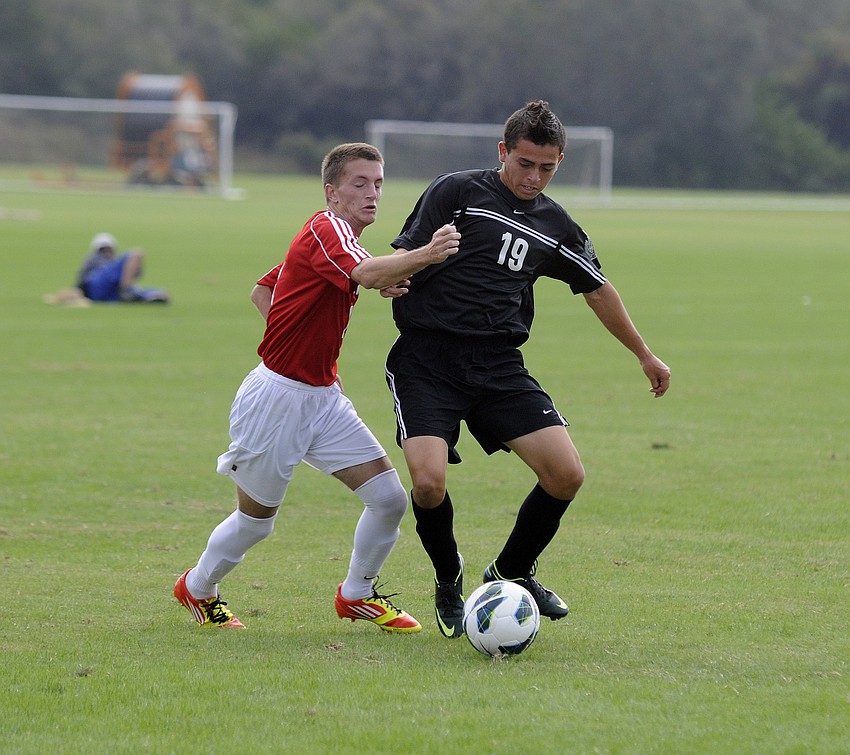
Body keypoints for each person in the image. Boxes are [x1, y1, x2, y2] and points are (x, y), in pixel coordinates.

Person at [384, 101, 671, 638]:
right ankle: (449, 579)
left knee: (566, 475)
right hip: (427, 360)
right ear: (502, 152)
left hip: (497, 364)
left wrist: (644, 354)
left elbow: (597, 287)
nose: (532, 177)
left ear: (559, 162)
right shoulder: (457, 192)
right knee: (427, 483)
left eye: (546, 167)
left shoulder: (555, 224)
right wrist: (405, 270)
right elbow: (405, 252)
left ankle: (511, 571)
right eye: (523, 163)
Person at [174, 143, 460, 631]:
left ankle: (356, 594)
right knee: (256, 522)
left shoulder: (340, 239)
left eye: (378, 184)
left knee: (389, 498)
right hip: (277, 400)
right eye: (359, 184)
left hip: (323, 398)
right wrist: (426, 254)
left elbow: (264, 289)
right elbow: (364, 273)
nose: (372, 194)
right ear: (331, 191)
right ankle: (198, 588)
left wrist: (308, 340)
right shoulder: (328, 229)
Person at [75, 232, 170, 303]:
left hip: (111, 293)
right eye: (104, 249)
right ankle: (127, 290)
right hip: (98, 287)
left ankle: (143, 296)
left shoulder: (112, 264)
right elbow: (81, 283)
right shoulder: (95, 260)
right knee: (137, 254)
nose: (107, 252)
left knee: (159, 293)